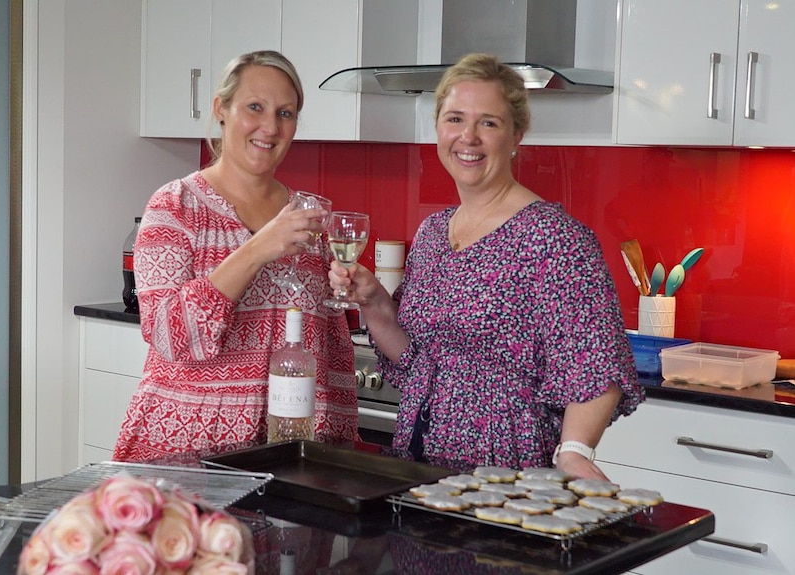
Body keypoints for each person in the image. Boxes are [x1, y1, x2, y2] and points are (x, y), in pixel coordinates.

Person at [329, 53, 644, 479]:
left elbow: (598, 365)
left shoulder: (554, 239)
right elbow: (416, 360)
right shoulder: (432, 234)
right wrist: (373, 303)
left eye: (489, 123)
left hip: (505, 466)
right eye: (455, 119)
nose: (468, 137)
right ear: (438, 127)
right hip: (419, 464)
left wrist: (574, 452)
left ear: (517, 135)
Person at [114, 50, 358, 462]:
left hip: (286, 458)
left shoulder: (310, 217)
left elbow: (330, 351)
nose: (270, 126)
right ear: (221, 110)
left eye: (286, 113)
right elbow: (168, 336)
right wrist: (258, 248)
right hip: (187, 453)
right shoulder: (175, 207)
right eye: (255, 108)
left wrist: (333, 452)